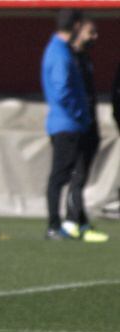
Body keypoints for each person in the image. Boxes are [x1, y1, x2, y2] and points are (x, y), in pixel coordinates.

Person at [42, 9, 95, 241]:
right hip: (66, 124)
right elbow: (62, 89)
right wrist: (79, 114)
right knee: (60, 176)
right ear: (75, 26)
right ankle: (54, 225)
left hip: (69, 123)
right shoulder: (59, 53)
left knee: (69, 175)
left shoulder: (61, 50)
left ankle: (72, 222)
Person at [65, 19, 109, 243]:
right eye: (91, 32)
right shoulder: (69, 57)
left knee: (82, 175)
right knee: (76, 174)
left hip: (89, 124)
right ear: (78, 31)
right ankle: (71, 221)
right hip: (77, 125)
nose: (95, 37)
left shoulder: (84, 58)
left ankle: (80, 222)